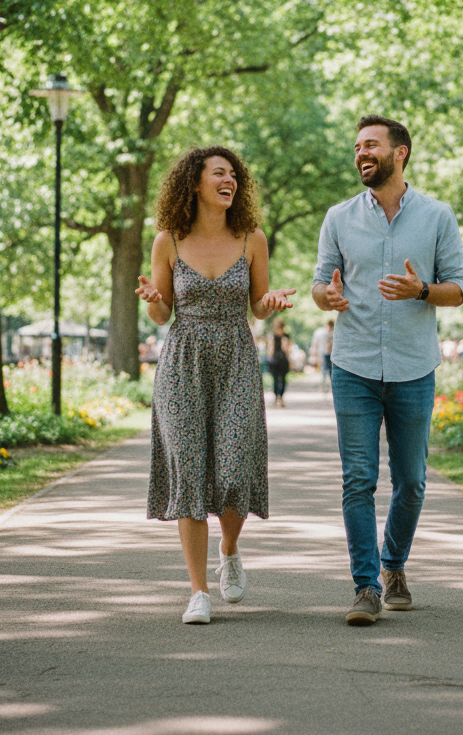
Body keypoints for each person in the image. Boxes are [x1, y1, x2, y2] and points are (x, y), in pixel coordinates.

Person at [313, 114, 463, 626]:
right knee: (358, 480)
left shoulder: (437, 216)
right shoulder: (338, 217)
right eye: (358, 145)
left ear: (399, 153)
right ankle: (366, 586)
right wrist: (328, 296)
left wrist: (420, 290)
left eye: (371, 145)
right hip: (353, 365)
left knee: (412, 482)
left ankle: (394, 563)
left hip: (413, 367)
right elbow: (319, 285)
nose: (361, 153)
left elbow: (459, 289)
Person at [135, 146, 296, 625]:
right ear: (195, 183)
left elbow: (258, 307)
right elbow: (162, 313)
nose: (229, 181)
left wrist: (269, 301)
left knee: (233, 470)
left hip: (236, 361)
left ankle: (229, 549)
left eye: (233, 175)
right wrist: (152, 299)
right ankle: (198, 591)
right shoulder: (168, 240)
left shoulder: (251, 238)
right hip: (182, 363)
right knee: (188, 472)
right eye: (218, 174)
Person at [267, 317, 291, 406]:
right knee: (278, 379)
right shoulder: (276, 336)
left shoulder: (281, 336)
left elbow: (271, 350)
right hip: (279, 360)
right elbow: (287, 350)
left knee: (279, 379)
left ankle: (278, 397)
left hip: (278, 360)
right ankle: (278, 397)